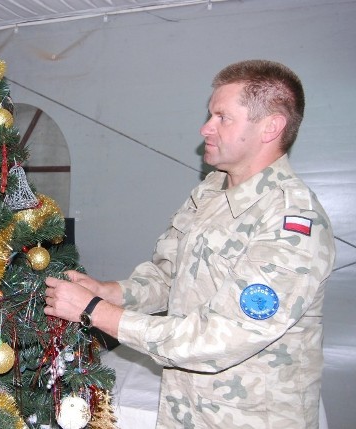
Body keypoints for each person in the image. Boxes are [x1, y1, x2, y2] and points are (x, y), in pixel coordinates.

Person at [44, 59, 335, 428]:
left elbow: (223, 336)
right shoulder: (211, 191)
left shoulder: (292, 220)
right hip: (186, 410)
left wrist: (97, 311)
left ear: (270, 127)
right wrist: (111, 291)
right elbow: (169, 275)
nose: (205, 128)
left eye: (222, 117)